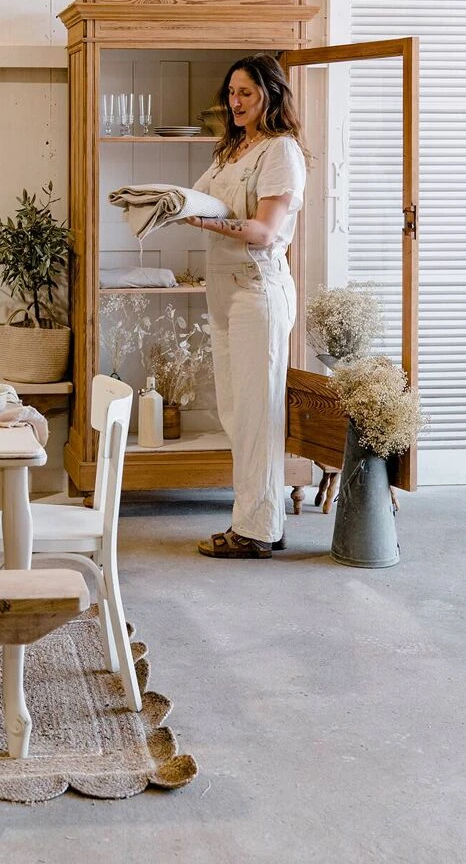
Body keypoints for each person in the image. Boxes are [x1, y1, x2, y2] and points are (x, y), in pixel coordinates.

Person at [184, 54, 308, 559]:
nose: (234, 102)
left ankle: (255, 531)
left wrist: (206, 222)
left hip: (257, 291)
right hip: (224, 292)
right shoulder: (233, 148)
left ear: (270, 97)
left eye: (247, 94)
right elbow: (198, 198)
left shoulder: (279, 152)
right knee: (236, 411)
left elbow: (264, 232)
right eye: (231, 92)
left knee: (258, 412)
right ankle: (262, 519)